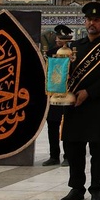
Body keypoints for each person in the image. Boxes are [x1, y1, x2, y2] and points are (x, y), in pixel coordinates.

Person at [59, 2, 100, 200]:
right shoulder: (73, 47)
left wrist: (89, 92)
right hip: (73, 105)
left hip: (96, 106)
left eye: (96, 20)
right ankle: (77, 188)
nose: (92, 23)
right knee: (73, 148)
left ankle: (96, 189)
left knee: (96, 150)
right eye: (88, 19)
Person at [42, 24, 72, 167]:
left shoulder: (72, 53)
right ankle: (54, 156)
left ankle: (68, 155)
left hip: (67, 95)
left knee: (67, 128)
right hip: (53, 96)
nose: (58, 40)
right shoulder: (50, 53)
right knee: (52, 126)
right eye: (58, 37)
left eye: (62, 37)